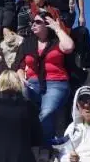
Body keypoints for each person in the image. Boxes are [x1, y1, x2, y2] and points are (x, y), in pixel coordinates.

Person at [13, 10, 76, 150]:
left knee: (47, 112)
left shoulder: (56, 41)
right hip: (32, 83)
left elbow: (69, 47)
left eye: (38, 22)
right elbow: (18, 65)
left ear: (47, 24)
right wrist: (20, 77)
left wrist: (58, 29)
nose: (33, 24)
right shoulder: (27, 43)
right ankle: (38, 141)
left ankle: (42, 145)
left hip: (56, 83)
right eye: (32, 22)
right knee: (18, 103)